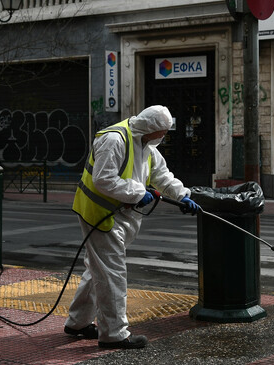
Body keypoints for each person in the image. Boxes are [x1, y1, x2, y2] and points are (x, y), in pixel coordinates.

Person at [64, 105, 200, 349]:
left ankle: (78, 322)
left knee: (99, 269)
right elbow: (103, 179)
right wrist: (137, 193)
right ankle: (114, 334)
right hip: (100, 214)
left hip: (118, 215)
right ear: (151, 128)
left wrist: (183, 196)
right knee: (112, 273)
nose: (164, 136)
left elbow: (162, 176)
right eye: (162, 132)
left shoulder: (146, 145)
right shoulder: (114, 139)